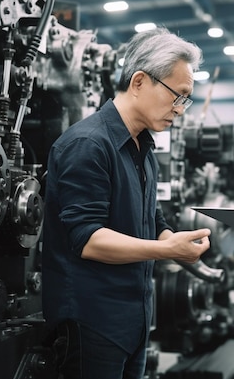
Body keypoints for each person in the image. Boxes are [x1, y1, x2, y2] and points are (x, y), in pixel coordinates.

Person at [41, 27, 211, 379]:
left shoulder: (142, 148)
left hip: (133, 321)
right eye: (177, 96)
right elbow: (88, 240)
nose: (180, 109)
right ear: (138, 82)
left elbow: (154, 220)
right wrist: (168, 252)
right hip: (92, 323)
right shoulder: (88, 144)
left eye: (186, 100)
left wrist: (178, 245)